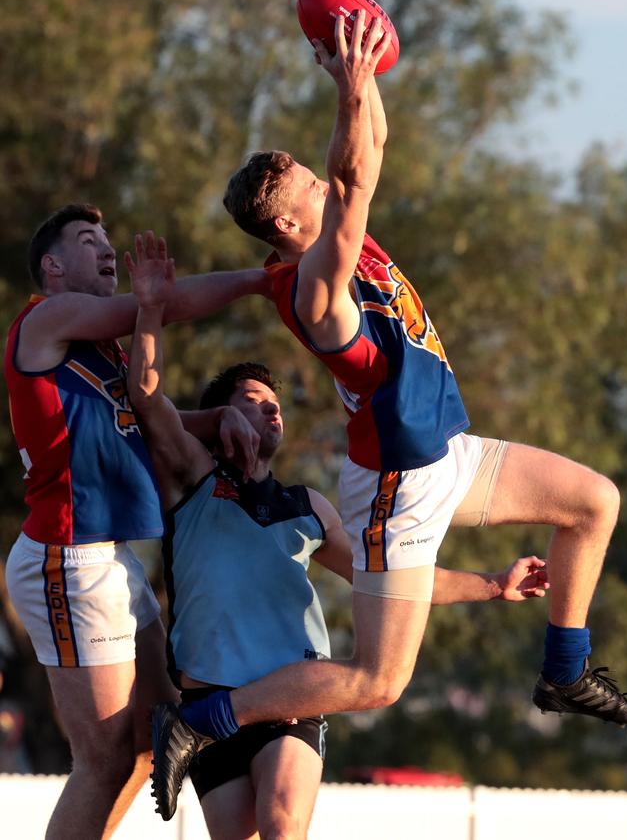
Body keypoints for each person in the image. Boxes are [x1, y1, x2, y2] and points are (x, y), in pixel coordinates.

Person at [152, 9, 627, 817]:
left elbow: (364, 153)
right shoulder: (317, 285)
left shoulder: (297, 257)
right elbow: (353, 177)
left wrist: (354, 69)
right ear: (288, 223)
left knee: (594, 500)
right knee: (376, 681)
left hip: (444, 451)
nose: (323, 179)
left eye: (319, 177)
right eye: (308, 187)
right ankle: (204, 717)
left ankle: (565, 670)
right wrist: (349, 86)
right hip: (395, 485)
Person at [125, 242, 549, 834]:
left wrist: (492, 584)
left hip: (291, 692)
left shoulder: (308, 506)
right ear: (219, 418)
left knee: (282, 822)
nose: (270, 413)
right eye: (252, 403)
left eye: (275, 406)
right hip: (203, 700)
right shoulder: (191, 479)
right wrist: (149, 310)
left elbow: (396, 584)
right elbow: (145, 398)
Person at [3, 203, 268, 840]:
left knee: (158, 736)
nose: (105, 249)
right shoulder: (47, 316)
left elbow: (152, 421)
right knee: (102, 760)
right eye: (88, 240)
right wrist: (266, 280)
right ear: (53, 265)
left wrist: (218, 420)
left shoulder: (102, 351)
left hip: (106, 560)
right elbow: (164, 304)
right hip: (66, 560)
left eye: (106, 239)